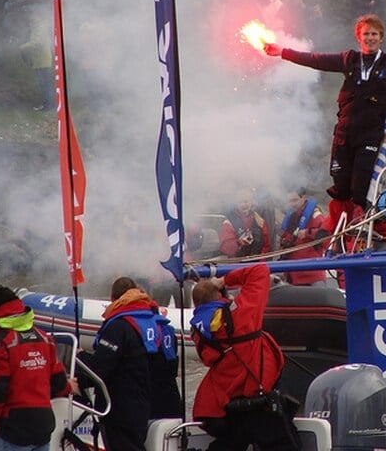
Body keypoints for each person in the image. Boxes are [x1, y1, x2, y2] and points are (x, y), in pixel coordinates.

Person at [264, 14, 386, 231]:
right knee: (340, 186)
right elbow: (317, 60)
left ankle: (370, 229)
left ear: (381, 37)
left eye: (374, 34)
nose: (370, 38)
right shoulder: (349, 59)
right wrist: (283, 52)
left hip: (370, 135)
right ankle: (340, 231)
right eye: (366, 34)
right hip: (344, 133)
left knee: (360, 187)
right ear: (358, 37)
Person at [191, 263, 300, 451]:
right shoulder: (241, 314)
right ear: (219, 295)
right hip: (255, 400)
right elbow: (260, 270)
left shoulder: (197, 329)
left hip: (221, 407)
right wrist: (224, 280)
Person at [80, 277, 180, 451]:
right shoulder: (164, 327)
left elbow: (99, 370)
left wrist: (80, 359)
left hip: (123, 411)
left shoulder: (119, 327)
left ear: (113, 299)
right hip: (165, 407)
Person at [0, 285, 77, 451]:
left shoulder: (1, 344)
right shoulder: (45, 339)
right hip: (42, 426)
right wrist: (70, 387)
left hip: (13, 428)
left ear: (1, 310)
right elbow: (58, 380)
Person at [278, 187, 327, 285]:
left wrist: (307, 232)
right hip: (293, 273)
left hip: (311, 273)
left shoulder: (315, 215)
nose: (292, 204)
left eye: (295, 200)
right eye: (290, 201)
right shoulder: (291, 216)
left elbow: (326, 233)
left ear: (303, 198)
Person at [19, 11, 56, 111]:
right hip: (40, 60)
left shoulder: (40, 28)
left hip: (42, 60)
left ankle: (48, 106)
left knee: (45, 84)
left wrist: (24, 47)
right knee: (44, 84)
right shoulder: (36, 28)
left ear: (37, 16)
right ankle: (48, 105)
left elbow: (38, 43)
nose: (31, 18)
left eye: (32, 15)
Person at [220, 188, 271, 257]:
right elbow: (225, 247)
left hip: (257, 261)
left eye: (246, 201)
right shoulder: (229, 222)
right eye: (240, 202)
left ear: (251, 202)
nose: (243, 205)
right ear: (236, 204)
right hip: (237, 263)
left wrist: (261, 258)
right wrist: (239, 243)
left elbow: (266, 244)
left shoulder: (259, 220)